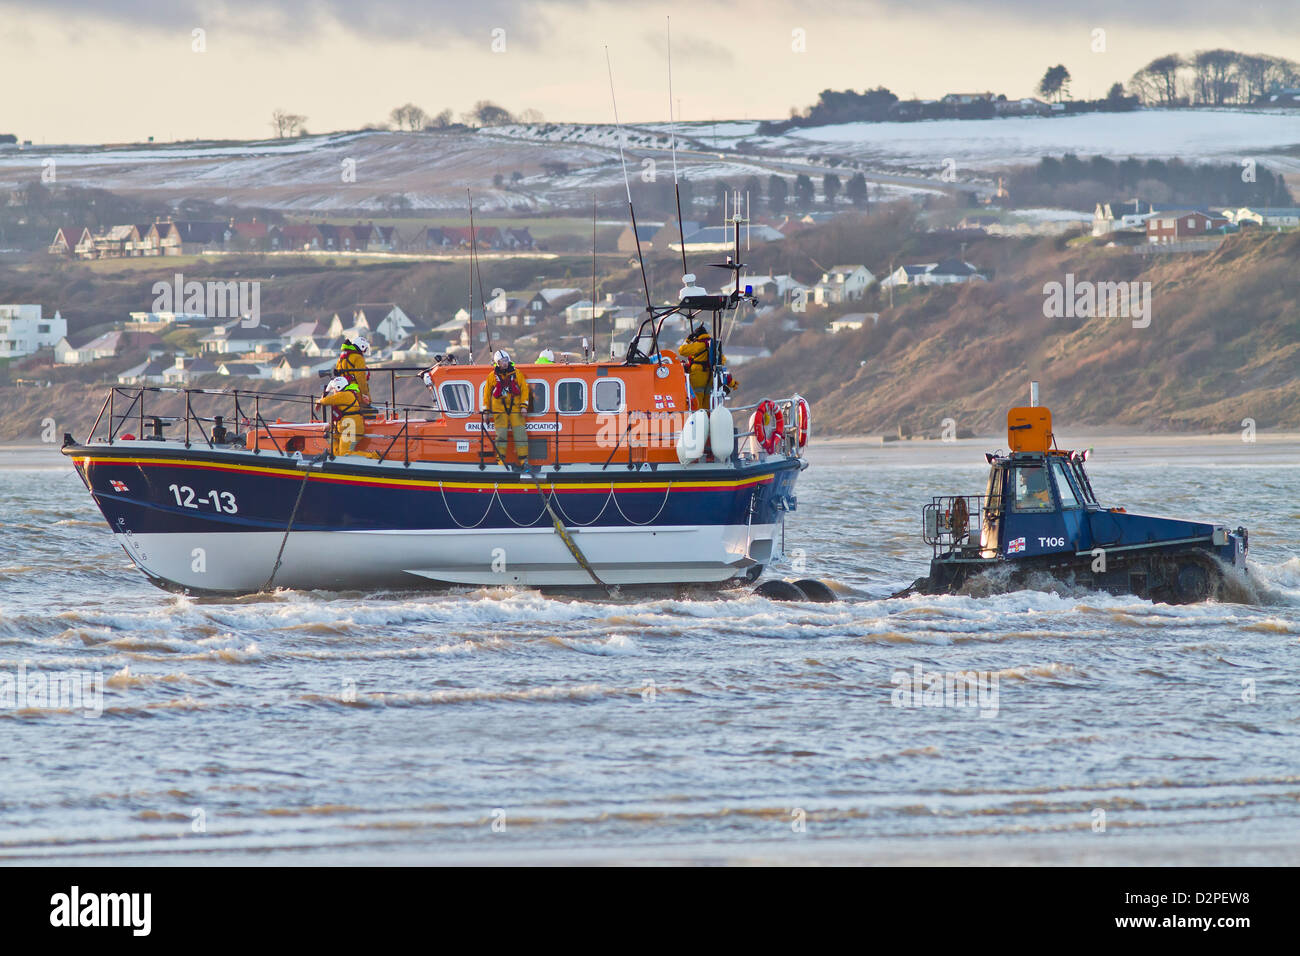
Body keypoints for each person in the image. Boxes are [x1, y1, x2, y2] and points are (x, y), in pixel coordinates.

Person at [485, 349, 532, 472]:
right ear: (497, 363)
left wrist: (523, 406)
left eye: (506, 360)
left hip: (516, 408)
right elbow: (486, 395)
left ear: (509, 360)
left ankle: (524, 461)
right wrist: (486, 411)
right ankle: (500, 461)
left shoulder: (517, 374)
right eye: (501, 361)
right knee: (501, 436)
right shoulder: (491, 377)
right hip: (499, 410)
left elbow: (524, 390)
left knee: (520, 434)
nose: (504, 363)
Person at [678, 324, 737, 409]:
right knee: (707, 401)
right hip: (710, 376)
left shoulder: (698, 345)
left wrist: (688, 340)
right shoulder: (713, 345)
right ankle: (707, 418)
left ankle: (698, 418)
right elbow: (722, 359)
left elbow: (681, 351)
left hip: (697, 376)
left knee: (697, 399)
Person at [318, 376, 378, 458]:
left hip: (350, 429)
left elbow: (326, 400)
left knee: (344, 453)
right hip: (348, 428)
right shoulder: (347, 394)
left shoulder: (343, 395)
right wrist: (331, 426)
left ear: (338, 387)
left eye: (334, 389)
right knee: (338, 450)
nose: (334, 392)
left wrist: (318, 401)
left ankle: (372, 456)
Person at [335, 336, 371, 406]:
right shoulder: (358, 358)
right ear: (362, 346)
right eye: (365, 349)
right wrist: (365, 394)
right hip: (356, 394)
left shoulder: (341, 358)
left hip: (342, 392)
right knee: (366, 412)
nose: (364, 352)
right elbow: (360, 377)